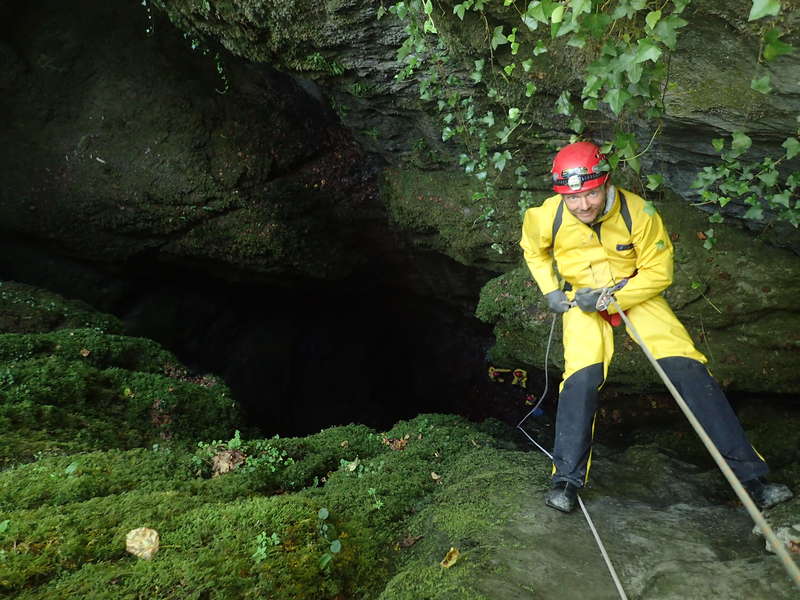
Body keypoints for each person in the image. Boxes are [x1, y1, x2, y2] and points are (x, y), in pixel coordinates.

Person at [519, 140, 793, 513]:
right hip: (579, 299)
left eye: (591, 194)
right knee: (580, 381)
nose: (583, 205)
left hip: (634, 292)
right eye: (573, 197)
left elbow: (659, 272)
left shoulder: (639, 213)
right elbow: (533, 249)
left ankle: (753, 480)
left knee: (688, 371)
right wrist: (551, 290)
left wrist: (608, 299)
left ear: (605, 182)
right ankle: (565, 481)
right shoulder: (548, 215)